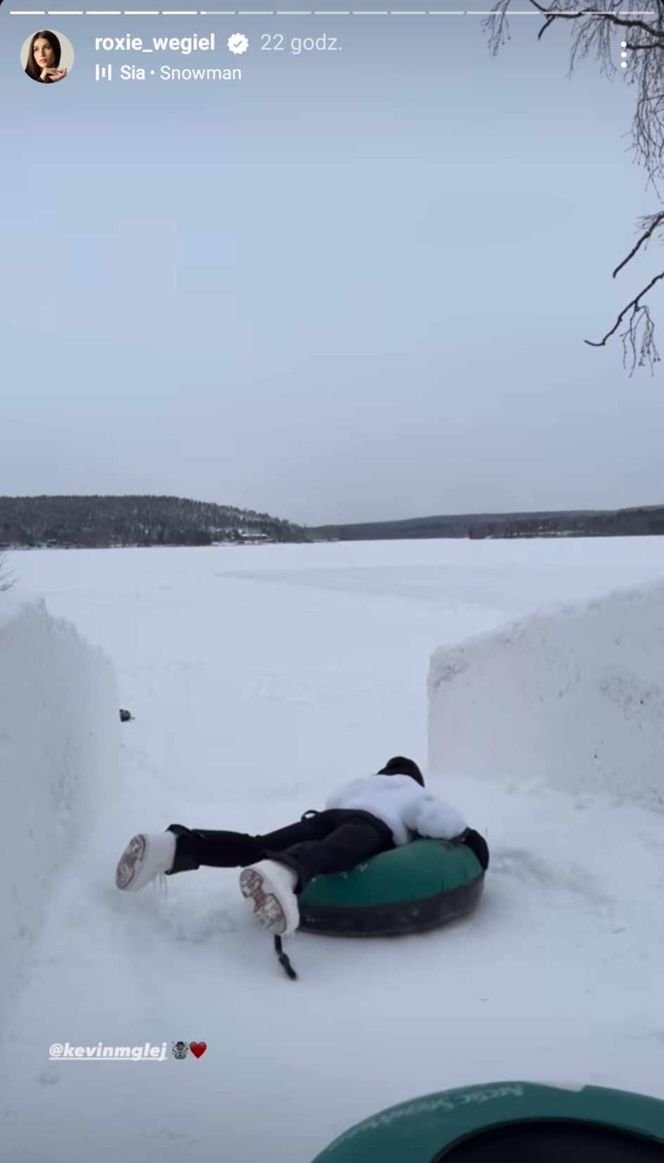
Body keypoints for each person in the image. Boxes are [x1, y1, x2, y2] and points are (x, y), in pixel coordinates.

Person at [115, 756, 489, 937]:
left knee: (256, 844)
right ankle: (286, 872)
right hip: (371, 826)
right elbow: (442, 823)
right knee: (329, 855)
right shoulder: (411, 792)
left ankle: (175, 847)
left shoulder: (361, 785)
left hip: (328, 817)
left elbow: (330, 803)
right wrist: (470, 840)